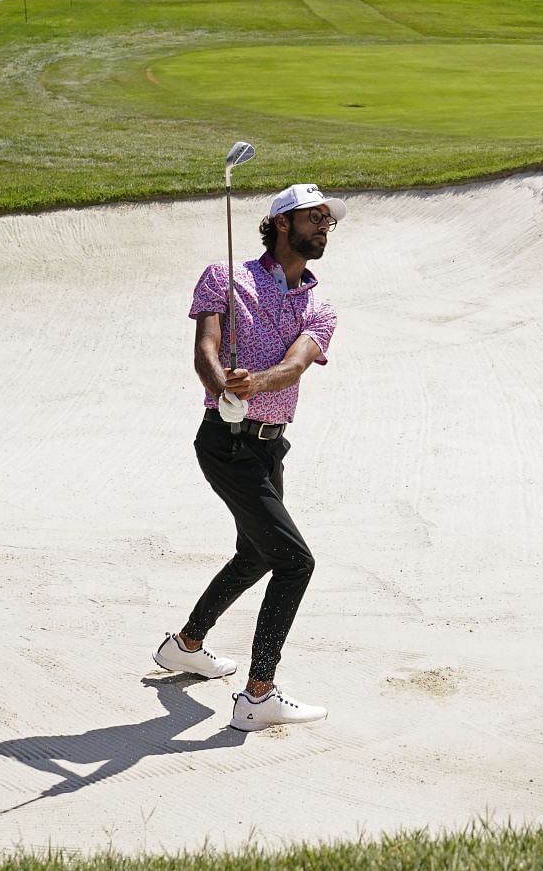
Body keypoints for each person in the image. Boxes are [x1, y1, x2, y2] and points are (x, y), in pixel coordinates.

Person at [152, 182, 344, 732]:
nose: (325, 228)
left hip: (269, 444)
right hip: (225, 443)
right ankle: (259, 692)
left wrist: (251, 385)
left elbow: (295, 365)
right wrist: (222, 388)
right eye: (315, 219)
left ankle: (186, 646)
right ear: (283, 223)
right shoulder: (225, 277)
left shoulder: (320, 305)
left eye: (329, 221)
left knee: (258, 554)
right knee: (295, 562)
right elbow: (205, 351)